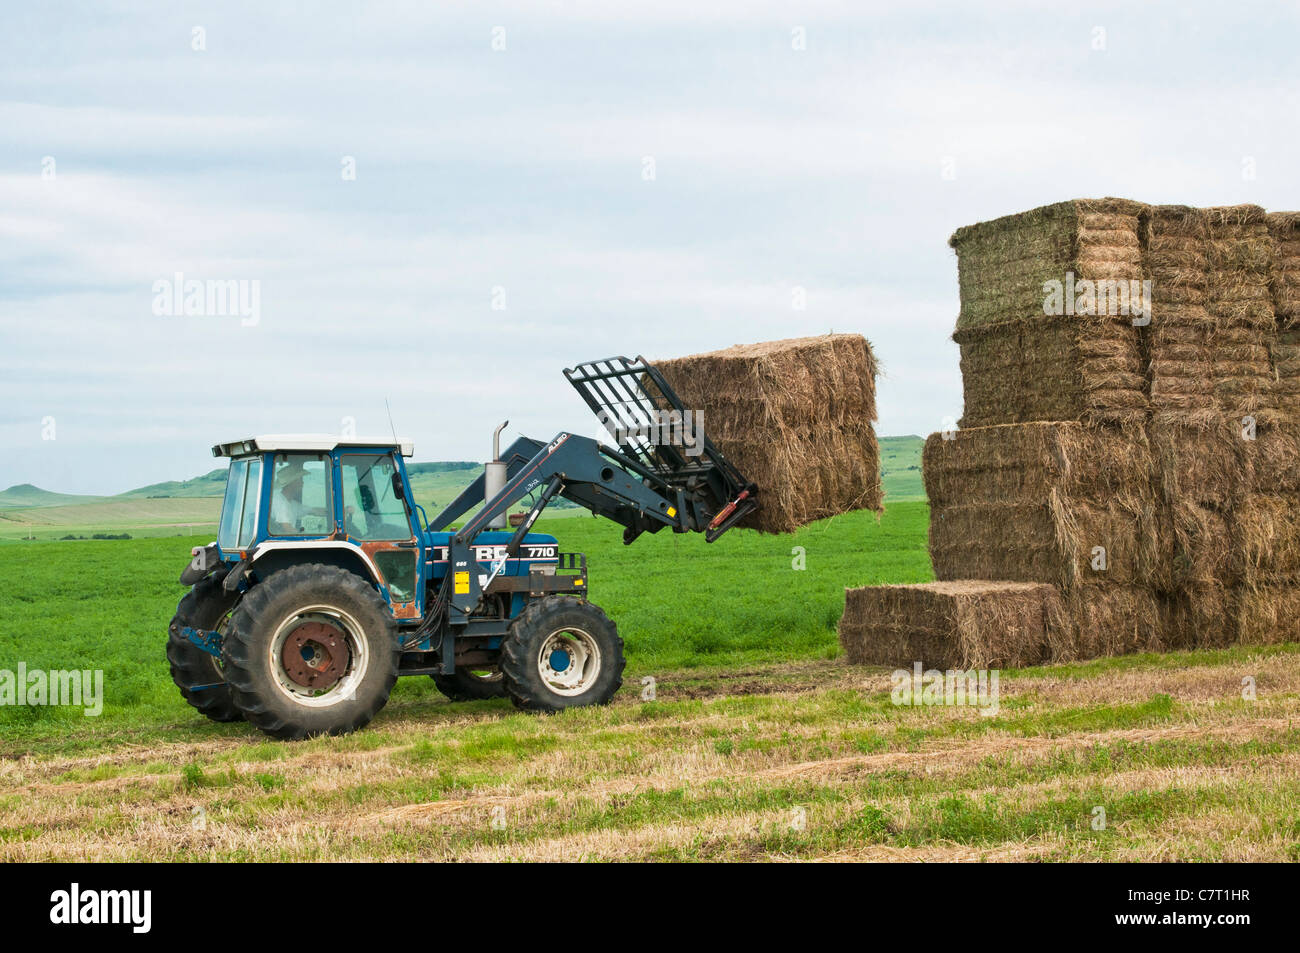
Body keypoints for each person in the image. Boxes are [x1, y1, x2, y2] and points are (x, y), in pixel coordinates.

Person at [270, 459, 308, 534]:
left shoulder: (291, 503)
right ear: (292, 483)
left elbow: (313, 510)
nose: (302, 482)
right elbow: (287, 528)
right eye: (300, 479)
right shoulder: (280, 502)